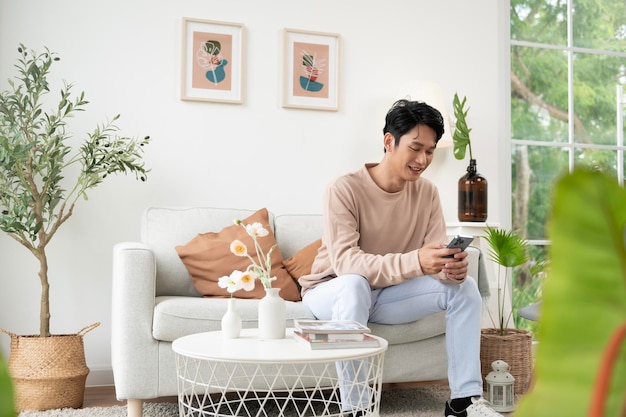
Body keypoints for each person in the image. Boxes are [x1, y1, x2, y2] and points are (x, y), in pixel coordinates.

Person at [298, 99, 503, 417]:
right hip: (332, 291)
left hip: (389, 296)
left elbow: (432, 258)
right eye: (416, 147)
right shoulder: (344, 189)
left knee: (464, 288)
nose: (423, 159)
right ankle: (355, 407)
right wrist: (417, 262)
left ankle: (464, 402)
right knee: (354, 284)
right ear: (389, 141)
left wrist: (449, 268)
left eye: (430, 151)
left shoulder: (427, 193)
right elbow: (346, 264)